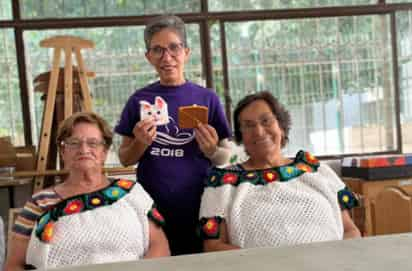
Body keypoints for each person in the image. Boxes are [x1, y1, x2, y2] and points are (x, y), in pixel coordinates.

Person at [115, 14, 232, 255]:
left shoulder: (206, 98)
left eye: (174, 48)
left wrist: (212, 151)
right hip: (153, 206)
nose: (166, 57)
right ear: (148, 57)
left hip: (202, 203)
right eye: (157, 50)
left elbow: (227, 157)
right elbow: (125, 158)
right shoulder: (139, 100)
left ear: (186, 52)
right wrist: (140, 143)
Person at [198, 91, 361, 251]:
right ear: (241, 136)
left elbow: (350, 231)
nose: (259, 132)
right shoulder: (222, 182)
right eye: (248, 125)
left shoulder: (317, 170)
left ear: (281, 126)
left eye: (266, 121)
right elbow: (214, 247)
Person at [5, 112, 170, 270]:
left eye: (93, 143)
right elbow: (14, 264)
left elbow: (159, 246)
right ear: (63, 152)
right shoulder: (40, 202)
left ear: (104, 152)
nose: (84, 150)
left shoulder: (131, 193)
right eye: (74, 143)